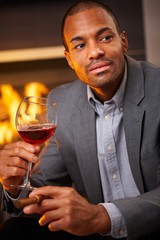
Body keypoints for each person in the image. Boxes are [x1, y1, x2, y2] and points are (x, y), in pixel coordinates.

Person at [0, 0, 160, 239]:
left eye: (105, 38)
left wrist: (100, 217)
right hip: (95, 233)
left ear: (123, 41)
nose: (95, 52)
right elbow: (43, 185)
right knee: (15, 232)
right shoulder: (61, 102)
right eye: (80, 45)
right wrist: (13, 184)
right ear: (69, 59)